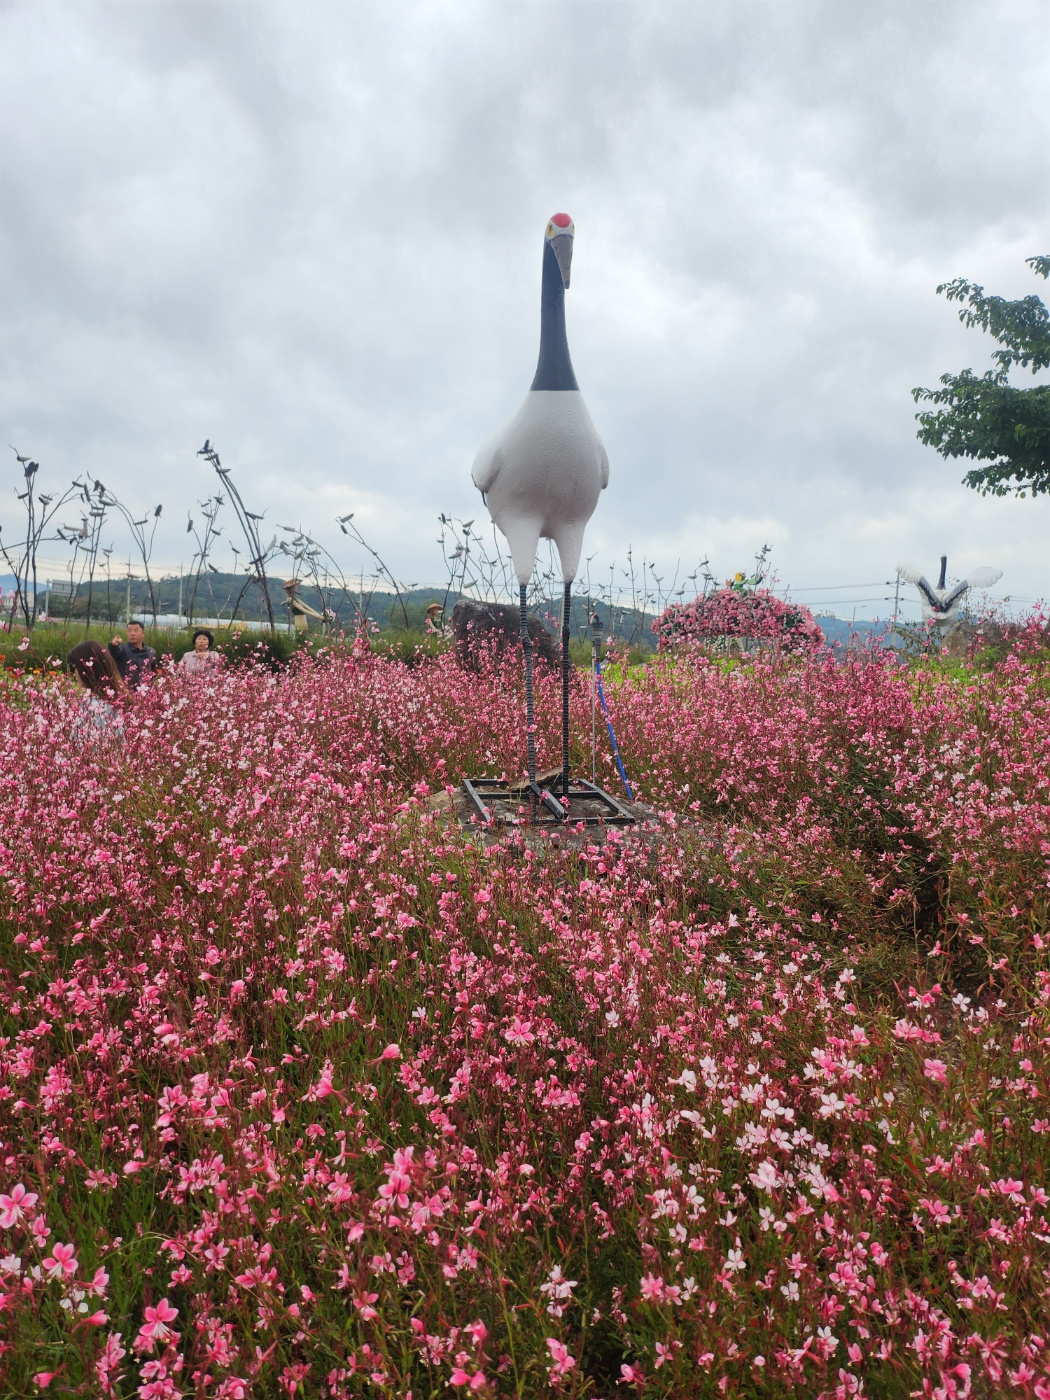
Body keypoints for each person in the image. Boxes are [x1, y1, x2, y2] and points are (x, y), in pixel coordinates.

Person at [67, 640, 126, 739]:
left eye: (74, 667)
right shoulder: (116, 700)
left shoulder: (96, 706)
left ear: (87, 669)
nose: (74, 673)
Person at [109, 620, 158, 690]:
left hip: (145, 692)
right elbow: (114, 652)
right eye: (129, 631)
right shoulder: (122, 649)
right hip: (126, 691)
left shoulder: (150, 652)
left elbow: (153, 672)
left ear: (143, 634)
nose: (132, 633)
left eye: (135, 630)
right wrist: (113, 645)